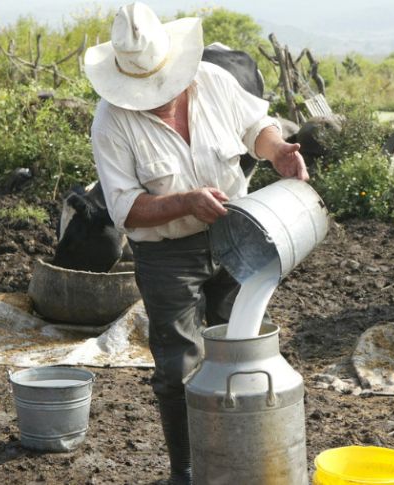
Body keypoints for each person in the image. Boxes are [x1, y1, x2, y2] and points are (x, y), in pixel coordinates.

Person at [83, 3, 309, 484]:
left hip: (237, 234)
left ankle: (245, 459)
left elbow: (255, 127)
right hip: (167, 256)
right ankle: (188, 470)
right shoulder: (111, 121)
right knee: (179, 367)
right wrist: (184, 202)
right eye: (144, 91)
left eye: (163, 85)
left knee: (244, 353)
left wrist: (278, 150)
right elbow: (125, 209)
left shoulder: (213, 80)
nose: (158, 97)